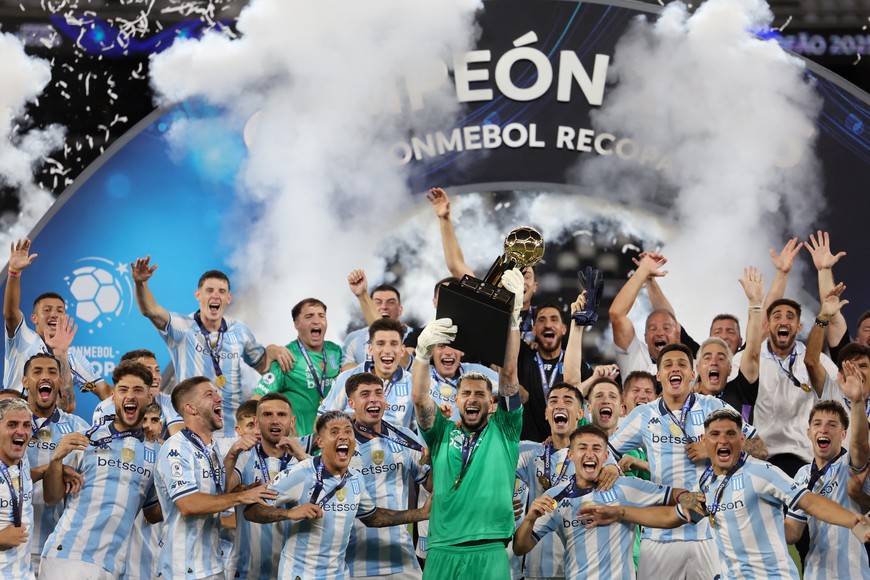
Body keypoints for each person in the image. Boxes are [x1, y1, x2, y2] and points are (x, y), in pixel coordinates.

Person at [582, 408, 870, 579]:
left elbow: (810, 501)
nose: (723, 439)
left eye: (731, 434)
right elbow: (671, 516)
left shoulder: (760, 472)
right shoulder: (708, 485)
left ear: (742, 440)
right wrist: (619, 512)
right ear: (705, 442)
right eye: (715, 435)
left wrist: (853, 522)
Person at [608, 343, 767, 579]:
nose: (676, 369)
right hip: (659, 536)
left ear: (692, 374)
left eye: (682, 364)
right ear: (659, 375)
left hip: (709, 534)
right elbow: (608, 451)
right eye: (668, 365)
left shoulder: (714, 407)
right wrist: (611, 466)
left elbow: (760, 449)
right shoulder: (644, 414)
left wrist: (715, 447)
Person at [409, 267, 524, 579]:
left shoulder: (506, 430)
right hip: (443, 549)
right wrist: (422, 355)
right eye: (466, 393)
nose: (473, 399)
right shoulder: (441, 434)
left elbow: (509, 376)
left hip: (490, 551)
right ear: (456, 401)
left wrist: (513, 322)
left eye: (480, 394)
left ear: (491, 403)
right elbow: (420, 399)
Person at [244, 410, 430, 579]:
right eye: (334, 432)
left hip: (339, 575)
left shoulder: (355, 479)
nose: (343, 436)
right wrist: (289, 513)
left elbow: (373, 517)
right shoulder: (300, 473)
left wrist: (421, 514)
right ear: (321, 442)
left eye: (348, 432)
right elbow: (252, 510)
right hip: (299, 574)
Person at [131, 257, 292, 437]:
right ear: (198, 295)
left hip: (233, 433)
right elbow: (150, 310)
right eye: (209, 290)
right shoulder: (182, 326)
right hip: (193, 433)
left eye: (222, 291)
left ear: (228, 298)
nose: (215, 295)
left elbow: (264, 365)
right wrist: (140, 283)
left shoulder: (240, 330)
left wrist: (272, 349)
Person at [39, 361, 161, 579]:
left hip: (112, 566)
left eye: (138, 390)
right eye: (123, 390)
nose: (130, 396)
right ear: (113, 396)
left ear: (149, 399)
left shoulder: (156, 453)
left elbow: (153, 513)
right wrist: (56, 459)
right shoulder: (86, 437)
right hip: (67, 557)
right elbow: (51, 497)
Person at [154, 376, 276, 580]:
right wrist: (241, 498)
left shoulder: (213, 448)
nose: (218, 397)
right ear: (191, 408)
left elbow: (219, 493)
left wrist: (242, 486)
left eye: (216, 393)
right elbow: (188, 504)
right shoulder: (176, 448)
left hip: (212, 564)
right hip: (183, 570)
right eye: (209, 394)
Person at [513, 425, 674, 579]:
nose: (589, 454)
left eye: (596, 448)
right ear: (570, 455)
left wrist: (623, 512)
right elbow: (520, 548)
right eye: (582, 448)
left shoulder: (626, 486)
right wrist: (529, 519)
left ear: (606, 456)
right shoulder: (556, 496)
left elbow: (674, 499)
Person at [514, 382, 618, 580]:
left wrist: (613, 468)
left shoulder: (595, 456)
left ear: (580, 414)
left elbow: (613, 473)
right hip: (535, 568)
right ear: (546, 413)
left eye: (567, 401)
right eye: (553, 401)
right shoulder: (530, 453)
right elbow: (492, 464)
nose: (559, 405)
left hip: (579, 569)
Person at [731, 296, 838, 476]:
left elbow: (838, 387)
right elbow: (726, 392)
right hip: (761, 457)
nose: (783, 321)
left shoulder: (816, 359)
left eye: (790, 317)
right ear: (768, 325)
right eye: (777, 316)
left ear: (798, 327)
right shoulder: (747, 359)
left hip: (805, 458)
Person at [4, 238, 110, 407]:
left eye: (60, 311)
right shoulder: (23, 338)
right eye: (47, 310)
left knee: (69, 408)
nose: (54, 315)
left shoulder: (73, 356)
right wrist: (14, 272)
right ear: (34, 318)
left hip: (51, 428)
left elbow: (103, 390)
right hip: (14, 419)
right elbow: (10, 314)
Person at [426, 187, 539, 345]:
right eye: (515, 275)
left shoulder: (545, 318)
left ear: (535, 286)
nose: (520, 281)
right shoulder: (489, 302)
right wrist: (444, 220)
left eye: (526, 276)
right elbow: (456, 266)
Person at [344, 372, 430, 578]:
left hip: (402, 560)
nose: (373, 399)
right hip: (352, 563)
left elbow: (432, 485)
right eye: (365, 394)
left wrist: (435, 459)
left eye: (378, 393)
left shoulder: (405, 438)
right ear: (351, 403)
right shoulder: (341, 443)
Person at [785, 394, 870, 579]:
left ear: (843, 434)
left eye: (832, 425)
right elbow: (792, 532)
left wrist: (857, 402)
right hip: (815, 573)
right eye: (817, 424)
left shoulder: (849, 464)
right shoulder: (802, 475)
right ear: (809, 432)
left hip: (854, 573)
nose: (823, 429)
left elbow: (861, 446)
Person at [224, 393, 307, 579]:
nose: (275, 420)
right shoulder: (243, 456)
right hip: (247, 570)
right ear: (257, 421)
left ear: (292, 421)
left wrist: (303, 459)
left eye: (282, 415)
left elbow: (325, 498)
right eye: (267, 414)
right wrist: (232, 454)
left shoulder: (302, 460)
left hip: (291, 572)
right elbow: (223, 491)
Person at [23, 353, 88, 572]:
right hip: (11, 545)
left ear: (60, 381)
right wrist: (53, 469)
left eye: (52, 372)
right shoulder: (10, 425)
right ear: (25, 381)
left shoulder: (79, 427)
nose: (46, 376)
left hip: (58, 551)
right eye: (37, 371)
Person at [253, 298, 343, 436]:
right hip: (298, 447)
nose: (316, 321)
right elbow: (258, 399)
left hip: (330, 445)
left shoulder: (335, 351)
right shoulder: (286, 357)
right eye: (309, 316)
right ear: (297, 324)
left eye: (321, 315)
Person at [694, 267, 765, 423]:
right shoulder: (686, 400)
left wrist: (755, 304)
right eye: (707, 358)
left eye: (721, 358)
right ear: (698, 367)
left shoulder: (741, 391)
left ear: (730, 368)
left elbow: (753, 352)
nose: (714, 362)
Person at [321, 318, 415, 430]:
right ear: (370, 349)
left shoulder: (413, 384)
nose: (387, 350)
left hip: (397, 447)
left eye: (394, 344)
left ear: (402, 351)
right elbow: (321, 422)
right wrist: (350, 421)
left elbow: (424, 431)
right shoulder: (347, 378)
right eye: (380, 344)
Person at [608, 252, 690, 379]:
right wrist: (642, 272)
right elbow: (617, 314)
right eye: (652, 328)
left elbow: (668, 317)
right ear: (645, 337)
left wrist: (648, 278)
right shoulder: (636, 359)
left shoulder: (690, 364)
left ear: (678, 335)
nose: (659, 333)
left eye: (666, 328)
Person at [518, 301, 591, 442]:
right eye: (541, 320)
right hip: (526, 449)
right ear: (533, 330)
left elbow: (585, 389)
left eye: (554, 319)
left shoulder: (574, 362)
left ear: (564, 329)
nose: (548, 325)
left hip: (564, 447)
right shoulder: (523, 356)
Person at [92, 349, 184, 436]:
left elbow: (180, 442)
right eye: (148, 371)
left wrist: (156, 447)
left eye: (157, 370)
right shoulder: (106, 407)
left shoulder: (169, 401)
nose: (156, 377)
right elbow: (104, 445)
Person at [123, 401, 165, 580]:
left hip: (160, 548)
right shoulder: (125, 453)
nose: (149, 425)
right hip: (129, 552)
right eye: (144, 420)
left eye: (154, 420)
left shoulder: (170, 454)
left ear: (161, 425)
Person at [0, 398, 35, 579]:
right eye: (12, 424)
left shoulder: (23, 459)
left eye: (26, 425)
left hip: (23, 574)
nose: (21, 431)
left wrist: (51, 469)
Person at [342, 283, 416, 369]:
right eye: (378, 302)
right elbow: (345, 370)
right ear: (370, 308)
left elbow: (412, 368)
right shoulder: (354, 339)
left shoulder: (417, 336)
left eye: (391, 302)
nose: (384, 307)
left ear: (400, 310)